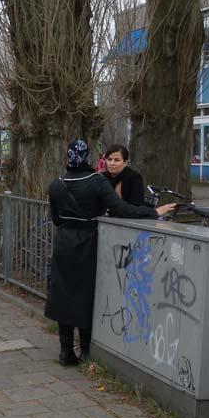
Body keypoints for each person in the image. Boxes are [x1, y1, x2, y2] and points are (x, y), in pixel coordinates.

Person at [45, 139, 175, 366]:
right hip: (89, 241)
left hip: (64, 242)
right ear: (88, 157)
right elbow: (122, 209)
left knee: (64, 293)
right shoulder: (96, 181)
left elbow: (56, 219)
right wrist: (153, 212)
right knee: (86, 294)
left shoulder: (56, 184)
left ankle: (65, 350)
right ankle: (86, 350)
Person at [101, 144, 148, 208]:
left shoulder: (134, 177)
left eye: (117, 160)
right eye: (109, 159)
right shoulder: (101, 177)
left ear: (125, 162)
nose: (112, 163)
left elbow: (137, 204)